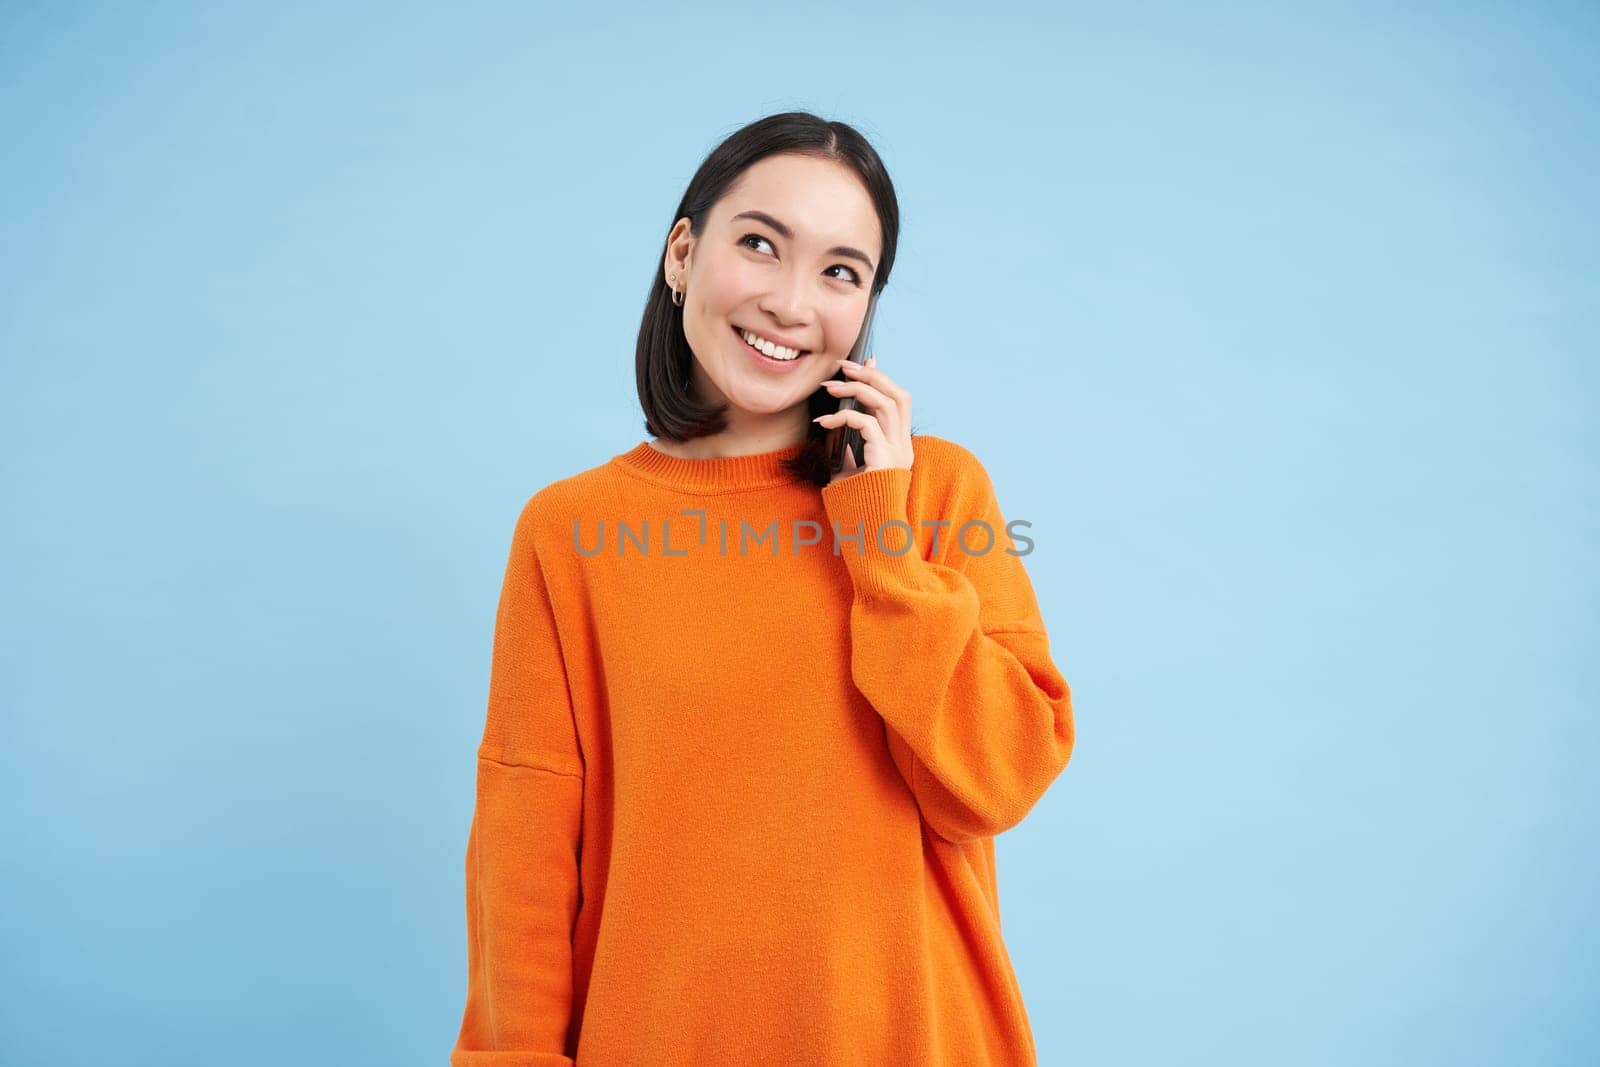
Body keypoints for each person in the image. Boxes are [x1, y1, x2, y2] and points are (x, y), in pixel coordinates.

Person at [449, 110, 1076, 1066]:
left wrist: (880, 536)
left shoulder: (938, 491)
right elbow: (525, 858)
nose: (791, 302)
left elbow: (995, 781)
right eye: (759, 245)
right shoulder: (568, 532)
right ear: (682, 254)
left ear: (865, 309)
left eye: (840, 271)